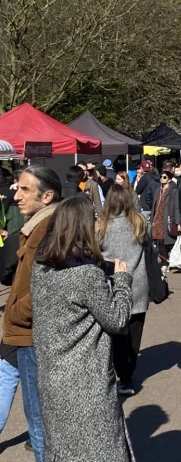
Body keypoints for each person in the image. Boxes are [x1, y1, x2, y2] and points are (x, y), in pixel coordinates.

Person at [31, 197, 134, 461]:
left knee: (64, 451)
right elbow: (118, 320)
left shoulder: (41, 267)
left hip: (52, 378)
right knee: (100, 449)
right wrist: (122, 281)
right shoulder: (86, 276)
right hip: (86, 381)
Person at [2, 165, 62, 462]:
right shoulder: (37, 227)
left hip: (33, 335)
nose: (16, 195)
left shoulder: (45, 230)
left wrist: (14, 314)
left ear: (47, 196)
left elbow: (44, 289)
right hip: (32, 333)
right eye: (17, 187)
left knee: (39, 423)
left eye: (25, 189)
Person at [96, 185, 148, 398]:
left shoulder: (100, 227)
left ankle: (124, 376)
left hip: (113, 284)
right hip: (139, 281)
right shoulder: (138, 222)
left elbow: (96, 253)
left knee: (117, 333)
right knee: (135, 331)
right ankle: (130, 369)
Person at [150, 163, 180, 273]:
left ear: (169, 179)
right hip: (157, 219)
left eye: (164, 177)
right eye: (161, 176)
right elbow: (154, 204)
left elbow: (176, 206)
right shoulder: (158, 190)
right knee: (158, 240)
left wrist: (178, 222)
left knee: (166, 241)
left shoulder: (173, 190)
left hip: (167, 218)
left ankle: (166, 262)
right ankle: (164, 261)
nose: (162, 179)